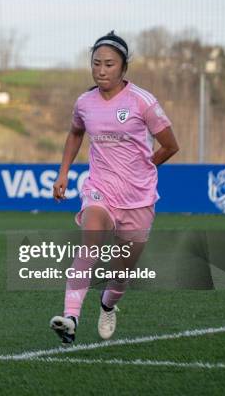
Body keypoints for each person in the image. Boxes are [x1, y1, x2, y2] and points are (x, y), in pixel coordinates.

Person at [50, 31, 179, 344]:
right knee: (89, 245)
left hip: (139, 198)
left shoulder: (142, 101)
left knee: (121, 271)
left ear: (123, 69)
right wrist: (63, 172)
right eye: (96, 63)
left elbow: (170, 145)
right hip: (100, 190)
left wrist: (144, 167)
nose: (101, 70)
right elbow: (75, 133)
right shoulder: (84, 102)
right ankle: (70, 318)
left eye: (109, 64)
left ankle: (108, 305)